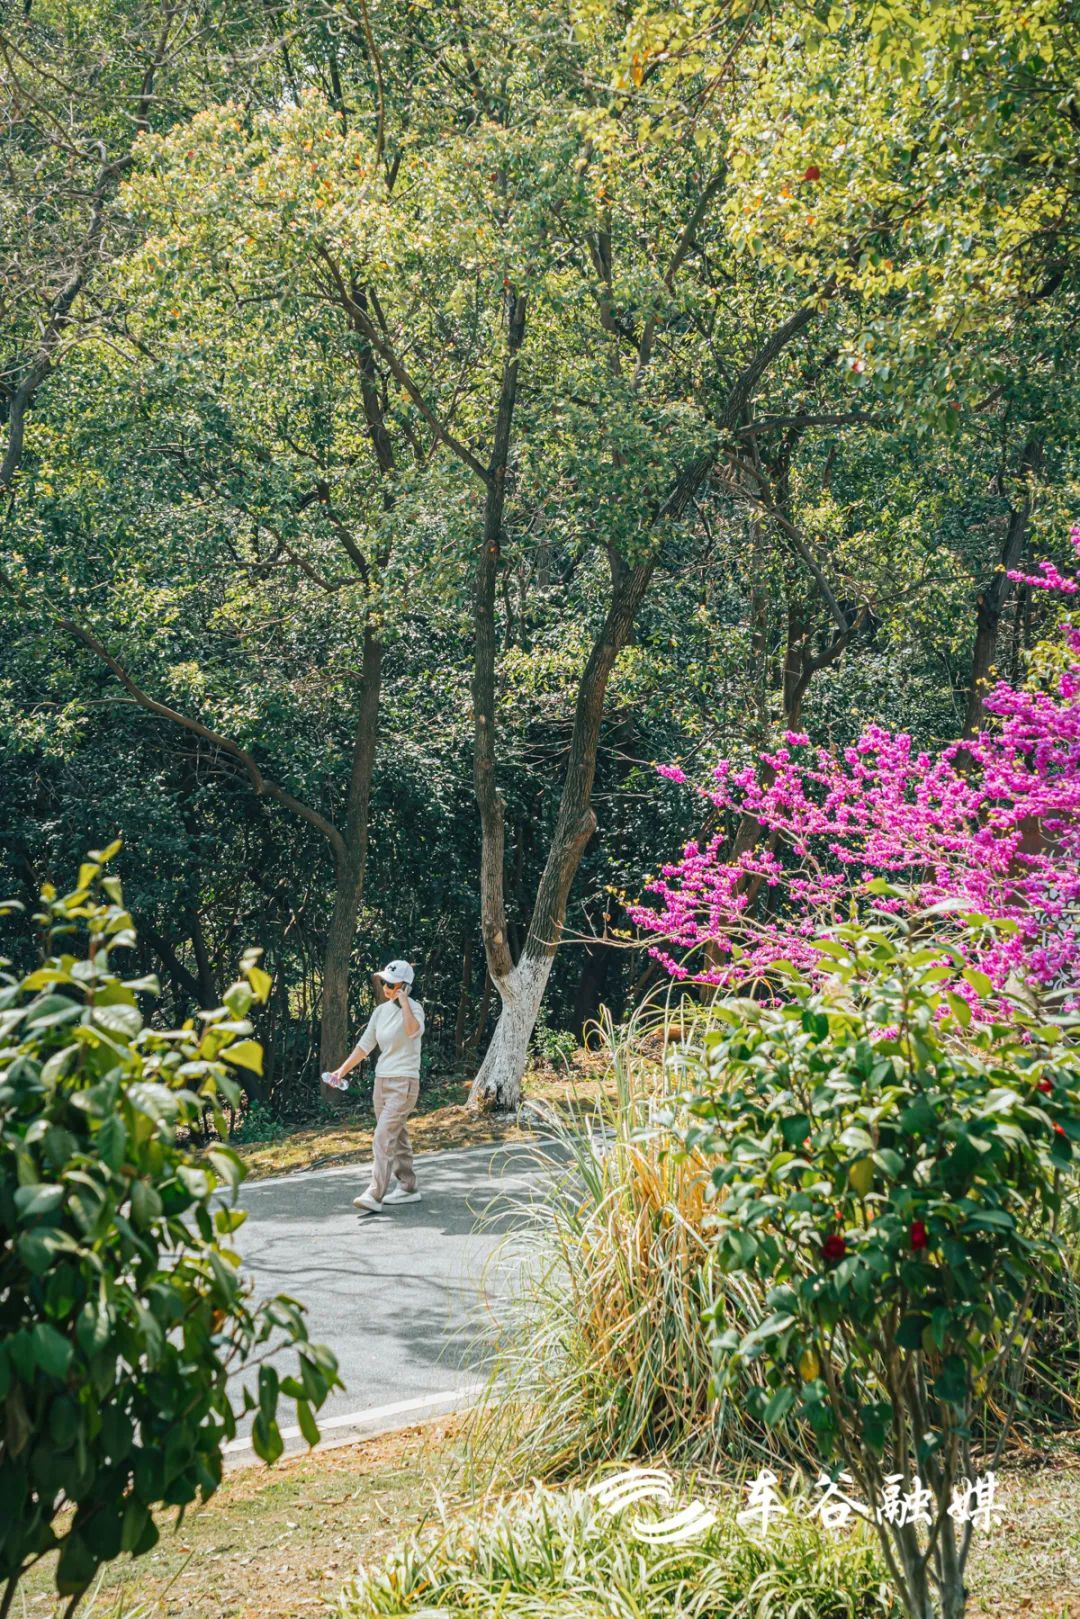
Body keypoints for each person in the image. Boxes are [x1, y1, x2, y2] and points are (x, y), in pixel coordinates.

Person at [324, 959, 425, 1215]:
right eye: (383, 983)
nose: (385, 988)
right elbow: (365, 1045)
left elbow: (413, 1031)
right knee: (395, 1135)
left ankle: (374, 1193)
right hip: (382, 1082)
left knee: (382, 1136)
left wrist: (404, 1003)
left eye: (391, 985)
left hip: (404, 1082)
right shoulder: (380, 1012)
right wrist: (340, 1071)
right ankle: (408, 1186)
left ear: (405, 986)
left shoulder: (415, 1009)